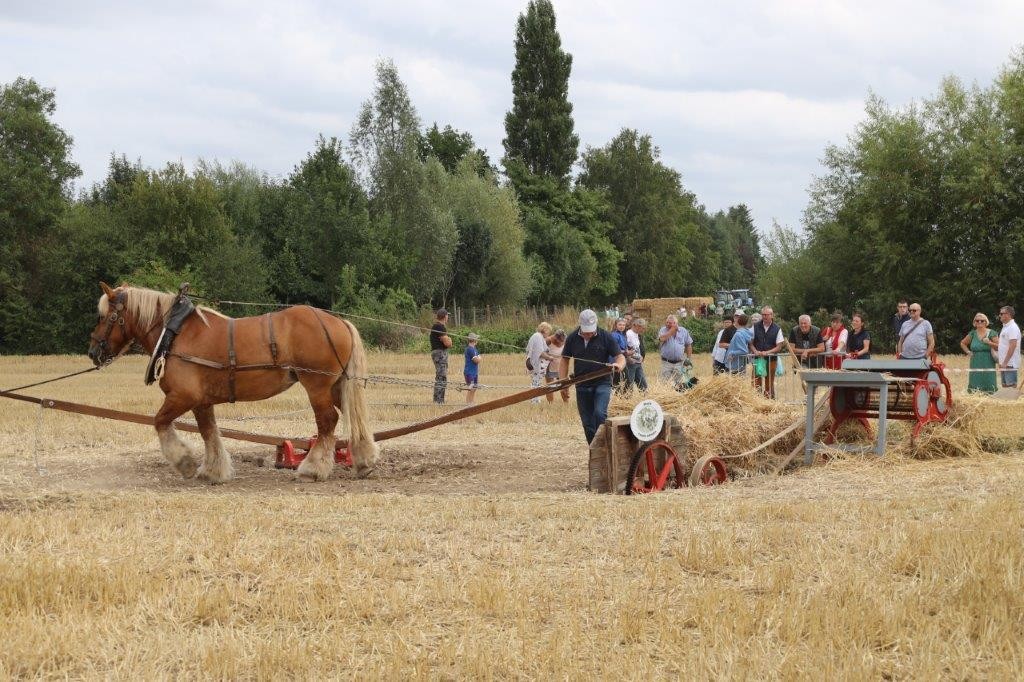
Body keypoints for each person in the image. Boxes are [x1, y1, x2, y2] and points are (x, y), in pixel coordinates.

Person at [559, 309, 626, 444]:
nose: (589, 333)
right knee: (587, 423)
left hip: (602, 383)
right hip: (582, 385)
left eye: (591, 330)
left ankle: (605, 444)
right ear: (580, 325)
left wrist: (619, 365)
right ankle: (594, 450)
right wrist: (563, 383)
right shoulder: (572, 338)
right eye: (586, 331)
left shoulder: (606, 336)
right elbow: (564, 360)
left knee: (600, 414)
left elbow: (620, 357)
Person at [749, 306, 783, 398]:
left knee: (769, 382)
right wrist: (755, 351)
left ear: (772, 315)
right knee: (756, 381)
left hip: (771, 359)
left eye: (766, 315)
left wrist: (767, 352)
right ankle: (756, 400)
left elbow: (779, 346)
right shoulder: (755, 327)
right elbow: (750, 343)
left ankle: (769, 401)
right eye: (763, 315)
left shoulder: (777, 328)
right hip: (758, 358)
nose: (764, 317)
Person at [960, 313, 998, 394]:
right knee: (975, 380)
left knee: (988, 380)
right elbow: (963, 343)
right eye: (977, 320)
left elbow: (999, 347)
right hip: (975, 361)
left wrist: (989, 343)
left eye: (982, 320)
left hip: (988, 361)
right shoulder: (972, 333)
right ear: (975, 322)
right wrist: (968, 352)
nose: (979, 322)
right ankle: (974, 393)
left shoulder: (992, 333)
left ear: (986, 322)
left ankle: (990, 395)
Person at [657, 314, 694, 387]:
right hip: (666, 362)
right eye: (667, 322)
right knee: (664, 384)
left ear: (675, 323)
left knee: (679, 384)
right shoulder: (663, 330)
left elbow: (688, 345)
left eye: (670, 323)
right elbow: (662, 339)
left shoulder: (683, 331)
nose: (667, 324)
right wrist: (672, 330)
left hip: (679, 363)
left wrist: (688, 359)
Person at [429, 308, 452, 404]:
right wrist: (450, 339)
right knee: (441, 377)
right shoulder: (440, 327)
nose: (448, 317)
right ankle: (438, 401)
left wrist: (448, 339)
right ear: (445, 316)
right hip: (440, 353)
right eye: (447, 315)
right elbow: (448, 344)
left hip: (438, 353)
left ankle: (438, 400)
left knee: (441, 376)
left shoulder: (437, 326)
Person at [526, 322, 552, 403]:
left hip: (533, 362)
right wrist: (550, 358)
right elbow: (540, 352)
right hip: (535, 363)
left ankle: (535, 399)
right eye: (549, 331)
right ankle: (534, 401)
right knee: (536, 382)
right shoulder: (538, 336)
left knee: (536, 381)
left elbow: (545, 349)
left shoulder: (538, 336)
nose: (549, 334)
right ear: (545, 329)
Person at [997, 305, 1021, 389]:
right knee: (1005, 387)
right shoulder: (1005, 327)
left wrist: (1005, 362)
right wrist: (1002, 362)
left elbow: (1012, 346)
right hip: (1004, 363)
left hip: (1009, 364)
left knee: (1010, 388)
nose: (999, 315)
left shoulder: (1012, 327)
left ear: (1008, 314)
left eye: (1001, 313)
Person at [541, 329, 568, 402]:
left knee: (564, 385)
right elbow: (541, 352)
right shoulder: (548, 340)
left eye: (563, 340)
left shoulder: (565, 341)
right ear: (556, 337)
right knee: (550, 386)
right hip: (550, 366)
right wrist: (548, 357)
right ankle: (550, 403)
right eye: (560, 340)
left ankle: (566, 403)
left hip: (561, 366)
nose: (561, 342)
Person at [624, 318, 649, 391]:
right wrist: (629, 358)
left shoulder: (637, 334)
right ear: (636, 326)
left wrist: (641, 356)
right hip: (631, 363)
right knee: (629, 384)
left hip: (637, 362)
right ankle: (627, 400)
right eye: (642, 328)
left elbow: (636, 347)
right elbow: (624, 347)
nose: (643, 330)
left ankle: (646, 399)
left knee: (643, 384)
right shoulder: (628, 334)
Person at [463, 332, 481, 405]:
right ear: (474, 340)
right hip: (469, 372)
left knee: (474, 388)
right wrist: (479, 358)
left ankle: (471, 402)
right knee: (470, 388)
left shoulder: (474, 349)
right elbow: (476, 360)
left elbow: (478, 357)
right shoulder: (470, 349)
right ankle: (468, 404)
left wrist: (479, 358)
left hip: (474, 372)